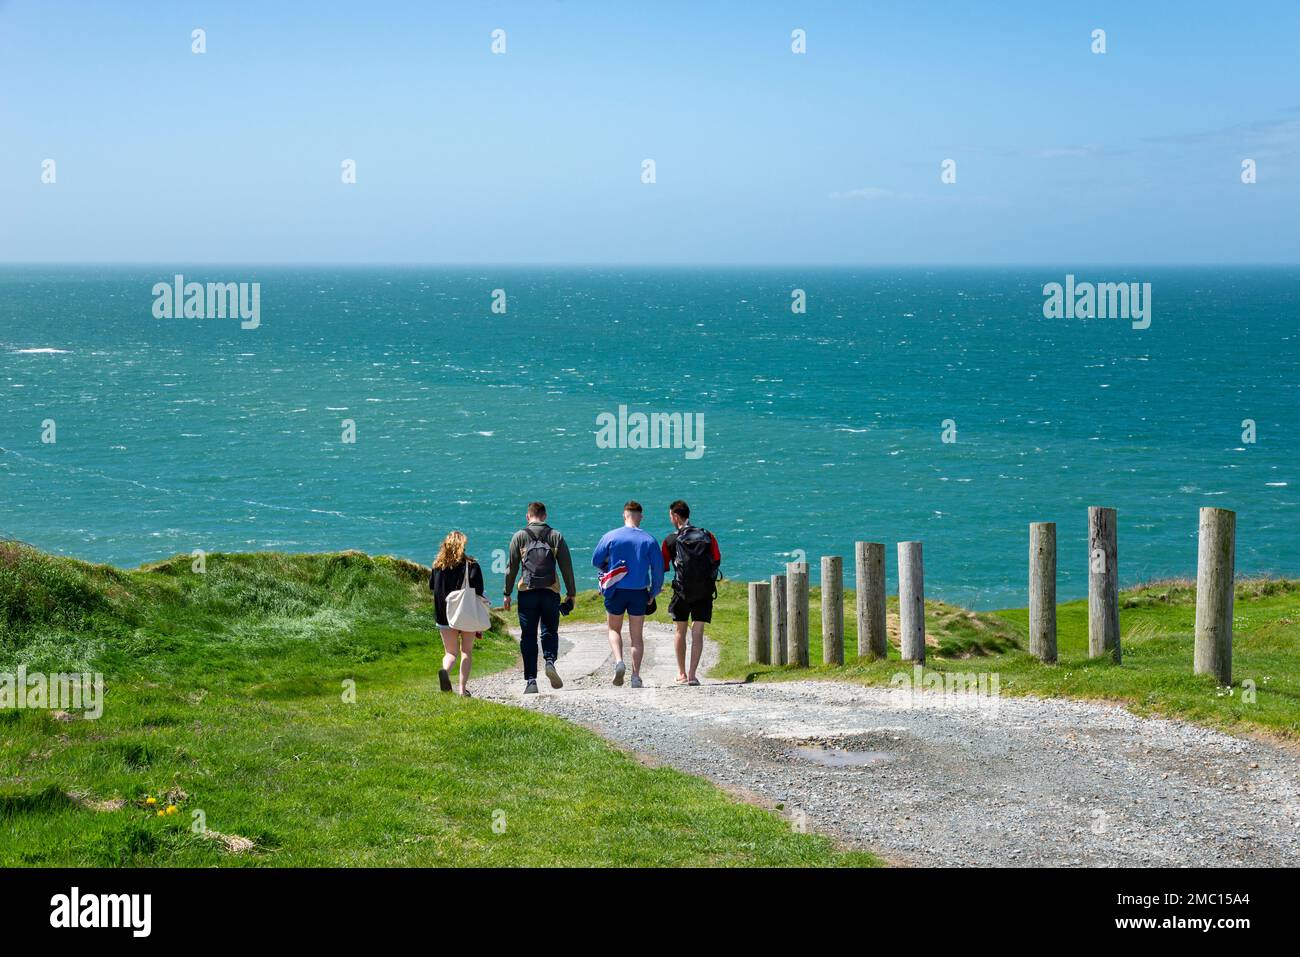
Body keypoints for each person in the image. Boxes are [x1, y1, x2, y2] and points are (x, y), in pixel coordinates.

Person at [502, 501, 577, 695]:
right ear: (544, 516)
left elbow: (511, 567)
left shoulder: (519, 536)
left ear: (528, 516)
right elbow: (566, 567)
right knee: (549, 631)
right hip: (550, 591)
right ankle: (550, 661)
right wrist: (571, 593)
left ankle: (531, 681)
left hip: (527, 593)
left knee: (528, 636)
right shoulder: (555, 536)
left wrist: (507, 593)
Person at [591, 501, 664, 688]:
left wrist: (609, 568)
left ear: (624, 515)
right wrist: (653, 592)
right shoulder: (649, 540)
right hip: (639, 591)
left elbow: (596, 560)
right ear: (640, 516)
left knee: (614, 629)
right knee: (637, 636)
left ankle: (618, 661)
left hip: (615, 589)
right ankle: (636, 676)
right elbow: (658, 570)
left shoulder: (610, 536)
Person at [661, 500, 721, 686]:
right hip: (704, 590)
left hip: (682, 591)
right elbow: (717, 559)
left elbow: (663, 565)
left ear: (676, 516)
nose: (670, 518)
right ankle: (693, 675)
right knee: (698, 631)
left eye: (670, 515)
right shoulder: (707, 535)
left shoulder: (670, 540)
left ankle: (682, 674)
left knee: (680, 630)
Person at [429, 530, 485, 698]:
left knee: (450, 653)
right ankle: (462, 689)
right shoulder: (471, 565)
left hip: (443, 614)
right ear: (463, 546)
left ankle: (445, 670)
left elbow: (432, 587)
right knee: (466, 651)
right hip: (466, 614)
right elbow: (479, 590)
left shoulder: (437, 566)